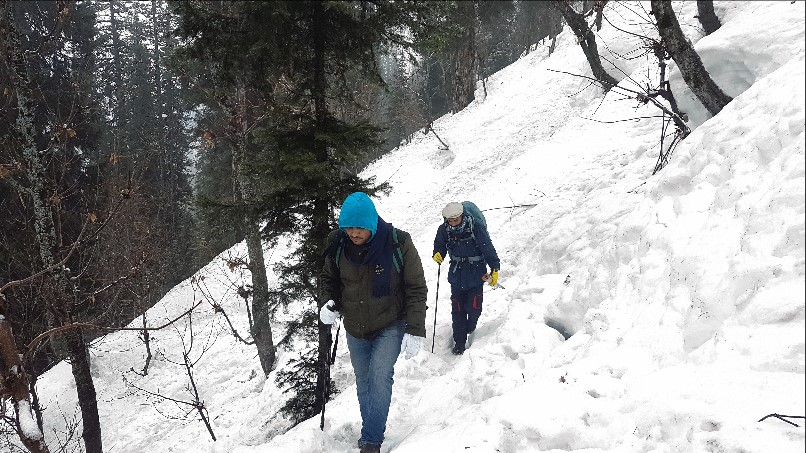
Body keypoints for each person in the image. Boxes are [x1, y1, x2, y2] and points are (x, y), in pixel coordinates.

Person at [319, 192, 428, 453]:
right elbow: (328, 279)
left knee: (379, 376)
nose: (353, 233)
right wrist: (327, 302)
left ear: (372, 223)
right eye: (349, 227)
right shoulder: (338, 244)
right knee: (364, 380)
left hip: (390, 322)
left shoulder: (398, 243)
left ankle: (371, 441)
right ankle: (371, 430)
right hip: (355, 326)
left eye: (359, 227)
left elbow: (416, 287)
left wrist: (414, 328)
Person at [432, 201, 500, 355]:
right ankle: (459, 342)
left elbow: (487, 248)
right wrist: (438, 254)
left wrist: (494, 268)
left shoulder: (475, 227)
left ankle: (471, 326)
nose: (453, 223)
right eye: (450, 220)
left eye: (456, 219)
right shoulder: (444, 230)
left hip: (476, 274)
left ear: (462, 215)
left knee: (474, 308)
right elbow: (439, 245)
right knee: (457, 309)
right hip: (457, 275)